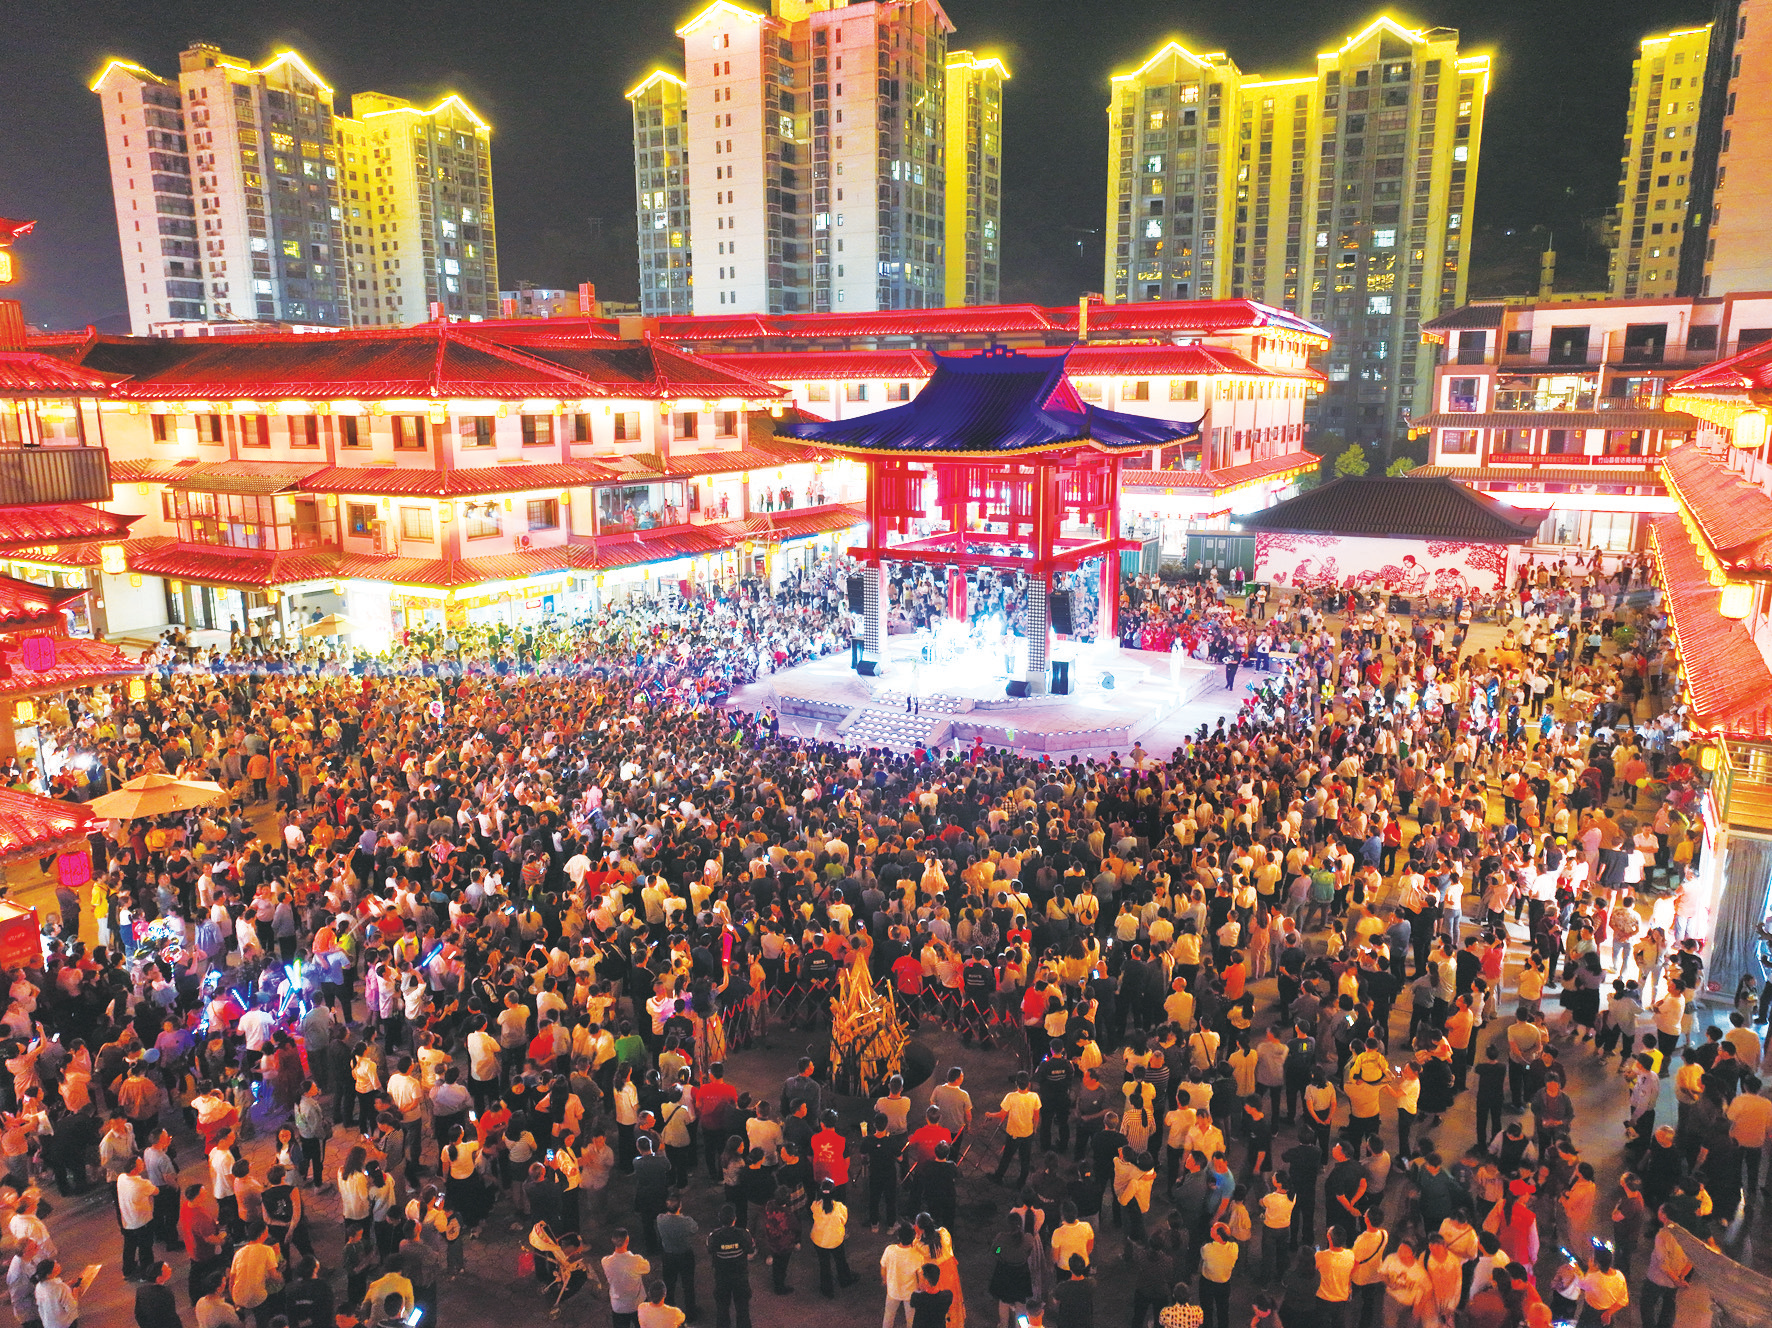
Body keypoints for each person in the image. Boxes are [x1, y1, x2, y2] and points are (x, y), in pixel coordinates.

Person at [989, 1072, 1041, 1189]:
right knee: (1025, 1158)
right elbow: (1036, 1115)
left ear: (1016, 1083)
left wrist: (990, 1114)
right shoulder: (1034, 1097)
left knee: (1007, 1156)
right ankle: (1021, 1182)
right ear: (1028, 1084)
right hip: (1028, 1133)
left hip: (1014, 1133)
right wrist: (1035, 1128)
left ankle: (998, 1177)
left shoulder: (1011, 1097)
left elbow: (1002, 1114)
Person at [707, 1206, 755, 1328]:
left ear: (720, 1219)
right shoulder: (744, 1234)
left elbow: (710, 1249)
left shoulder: (714, 1236)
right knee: (743, 1308)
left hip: (722, 1277)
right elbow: (751, 1249)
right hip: (740, 1276)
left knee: (722, 1308)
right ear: (735, 1219)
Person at [810, 1179, 858, 1298]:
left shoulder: (815, 1206)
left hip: (819, 1240)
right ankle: (845, 1280)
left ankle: (827, 1290)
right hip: (835, 1240)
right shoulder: (840, 1208)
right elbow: (844, 1220)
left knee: (824, 1265)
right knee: (840, 1261)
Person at [604, 1228, 653, 1328]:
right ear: (627, 1240)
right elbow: (647, 1268)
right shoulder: (636, 1260)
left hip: (618, 1306)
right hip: (638, 1304)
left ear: (612, 1240)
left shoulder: (605, 1261)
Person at [881, 1223, 923, 1328]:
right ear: (913, 1237)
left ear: (898, 1236)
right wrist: (920, 1287)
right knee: (911, 1318)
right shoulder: (917, 1254)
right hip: (910, 1293)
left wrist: (884, 1280)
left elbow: (883, 1267)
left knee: (889, 1315)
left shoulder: (889, 1250)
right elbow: (921, 1276)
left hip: (893, 1290)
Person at [1196, 1223, 1237, 1328]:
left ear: (1218, 1236)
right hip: (1224, 1284)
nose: (1211, 1229)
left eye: (1213, 1229)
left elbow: (1203, 1255)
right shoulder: (1234, 1248)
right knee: (1223, 1309)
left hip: (1207, 1282)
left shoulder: (1207, 1249)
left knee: (1207, 1308)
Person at [133, 1262, 182, 1328]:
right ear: (159, 1278)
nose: (170, 1269)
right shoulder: (166, 1293)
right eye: (167, 1269)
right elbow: (171, 1316)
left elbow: (138, 1314)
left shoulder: (141, 1291)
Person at [908, 1263, 952, 1328]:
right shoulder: (947, 1296)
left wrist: (919, 1290)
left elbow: (912, 1303)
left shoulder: (917, 1297)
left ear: (926, 1282)